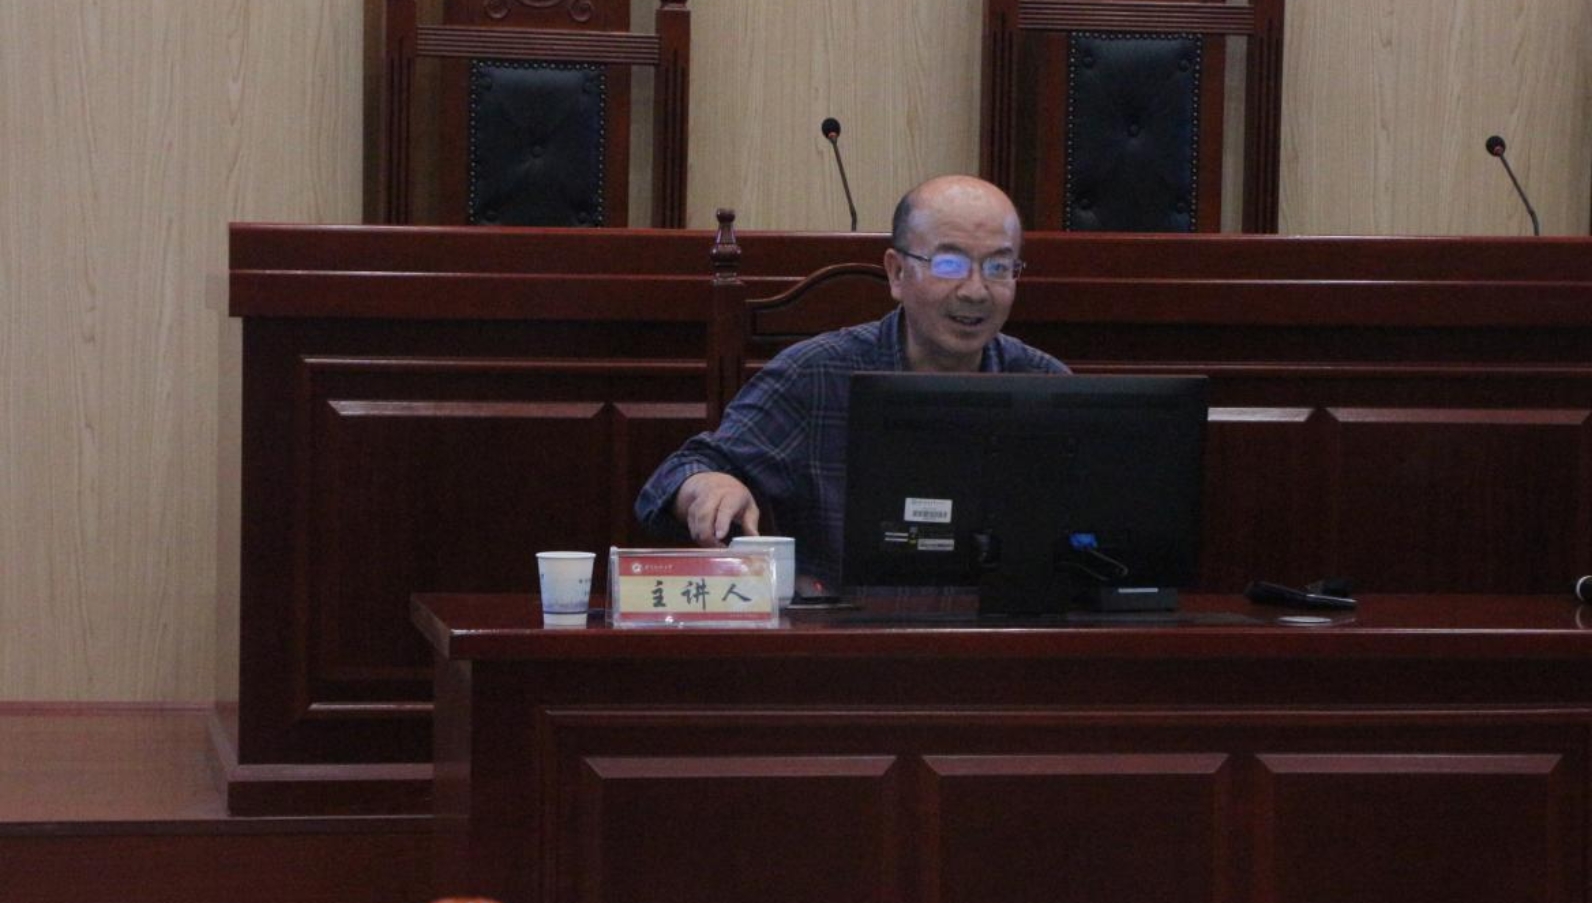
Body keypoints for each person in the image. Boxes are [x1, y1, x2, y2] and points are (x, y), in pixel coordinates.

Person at [634, 174, 1068, 587]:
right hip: (843, 632)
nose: (975, 290)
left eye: (998, 267)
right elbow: (674, 476)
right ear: (897, 272)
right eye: (949, 264)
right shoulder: (816, 374)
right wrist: (709, 485)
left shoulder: (1046, 386)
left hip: (1003, 634)